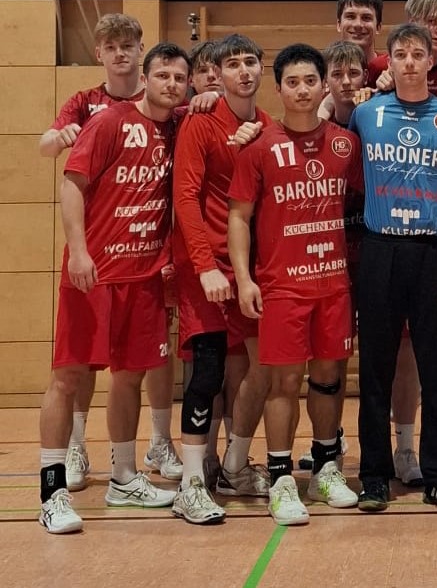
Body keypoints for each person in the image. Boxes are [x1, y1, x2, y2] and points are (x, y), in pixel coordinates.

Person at [38, 42, 191, 533]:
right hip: (94, 275)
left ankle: (124, 478)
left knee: (130, 377)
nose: (171, 84)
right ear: (145, 78)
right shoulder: (108, 122)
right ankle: (51, 493)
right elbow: (72, 184)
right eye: (162, 75)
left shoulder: (179, 128)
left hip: (144, 278)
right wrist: (78, 251)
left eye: (179, 77)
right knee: (68, 377)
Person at [349, 23, 437, 513]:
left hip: (432, 253)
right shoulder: (366, 113)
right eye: (401, 54)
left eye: (417, 54)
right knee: (376, 368)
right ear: (389, 61)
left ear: (431, 60)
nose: (409, 62)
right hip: (380, 249)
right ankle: (374, 475)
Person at [229, 44, 361, 525]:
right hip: (282, 286)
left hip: (334, 284)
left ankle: (326, 468)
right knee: (283, 382)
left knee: (328, 380)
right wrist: (244, 279)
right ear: (279, 88)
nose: (302, 90)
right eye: (292, 82)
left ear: (324, 85)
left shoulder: (346, 144)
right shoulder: (260, 147)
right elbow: (239, 217)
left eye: (310, 81)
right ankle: (282, 478)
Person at [171, 34, 273, 524]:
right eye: (232, 64)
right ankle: (190, 485)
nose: (243, 71)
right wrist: (204, 265)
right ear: (219, 74)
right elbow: (185, 198)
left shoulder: (267, 124)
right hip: (206, 268)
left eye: (250, 61)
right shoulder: (200, 121)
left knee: (260, 368)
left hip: (248, 269)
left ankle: (233, 465)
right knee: (207, 373)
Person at [297, 40, 366, 473]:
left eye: (353, 73)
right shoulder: (314, 127)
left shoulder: (377, 117)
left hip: (372, 252)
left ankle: (391, 446)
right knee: (329, 361)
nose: (346, 82)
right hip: (328, 259)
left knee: (383, 359)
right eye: (336, 74)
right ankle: (329, 441)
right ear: (326, 82)